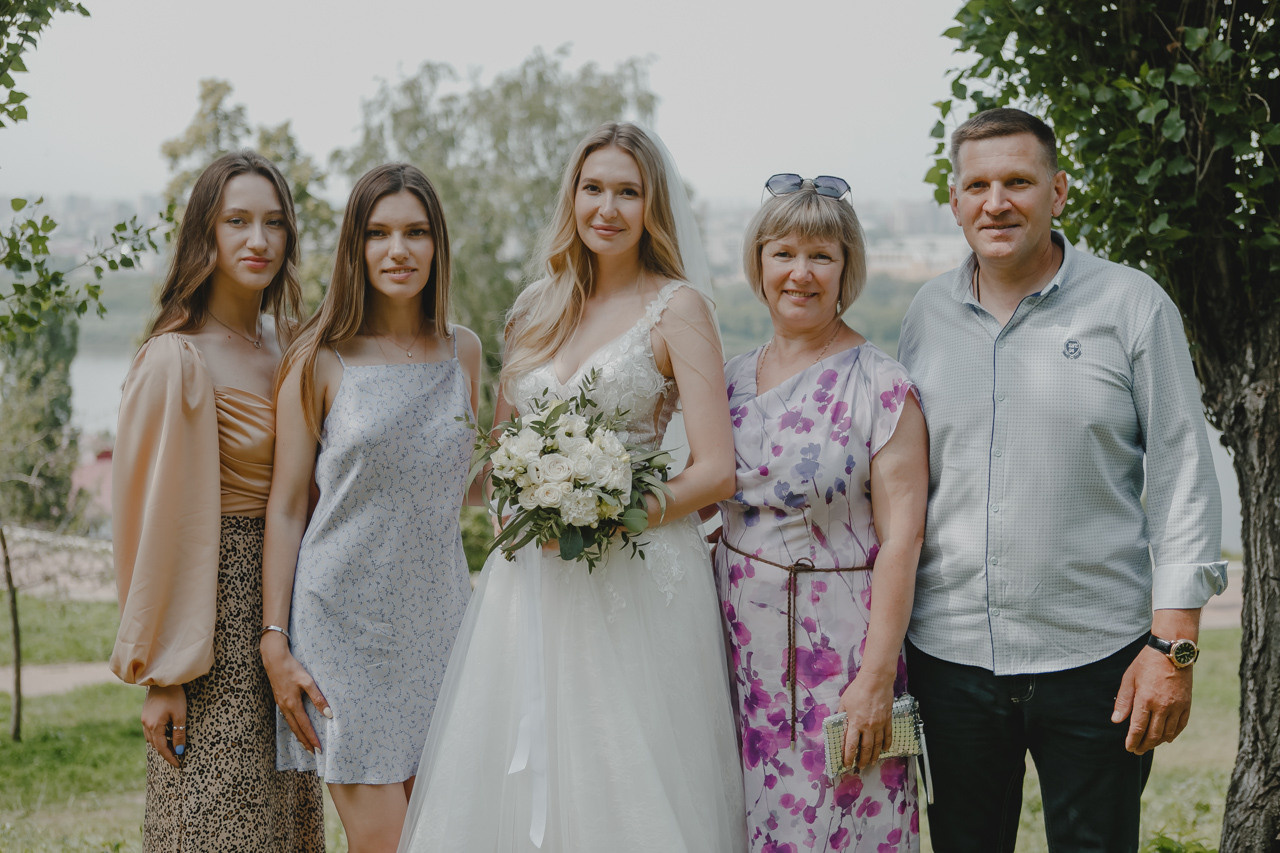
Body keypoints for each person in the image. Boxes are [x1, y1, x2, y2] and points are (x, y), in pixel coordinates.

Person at [397, 121, 746, 852]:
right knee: (515, 778)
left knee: (624, 775)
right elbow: (500, 453)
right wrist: (513, 512)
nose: (608, 208)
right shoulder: (533, 308)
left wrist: (609, 512)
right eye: (594, 189)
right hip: (529, 582)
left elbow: (716, 470)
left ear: (653, 205)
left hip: (636, 579)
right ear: (572, 196)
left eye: (628, 191)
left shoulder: (679, 309)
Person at [897, 107, 1228, 851]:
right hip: (950, 662)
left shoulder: (1131, 305)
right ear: (954, 203)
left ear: (1059, 192)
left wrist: (1173, 646)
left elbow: (1183, 474)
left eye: (1018, 180)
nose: (997, 201)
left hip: (1097, 661)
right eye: (977, 184)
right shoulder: (925, 315)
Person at [260, 163, 482, 852]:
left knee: (441, 834)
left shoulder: (463, 351)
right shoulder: (319, 358)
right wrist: (274, 637)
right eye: (379, 233)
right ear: (355, 247)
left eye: (416, 232)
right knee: (383, 841)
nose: (399, 250)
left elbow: (457, 480)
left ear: (437, 245)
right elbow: (289, 505)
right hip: (342, 629)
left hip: (443, 621)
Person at [109, 150, 324, 851]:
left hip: (289, 615)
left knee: (283, 823)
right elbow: (146, 526)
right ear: (207, 232)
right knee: (214, 827)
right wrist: (162, 674)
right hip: (210, 623)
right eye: (237, 221)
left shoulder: (295, 345)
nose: (258, 240)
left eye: (274, 223)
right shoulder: (175, 359)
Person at [712, 174, 928, 852]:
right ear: (758, 263)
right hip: (737, 652)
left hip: (842, 656)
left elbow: (903, 538)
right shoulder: (728, 377)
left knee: (848, 824)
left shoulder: (883, 386)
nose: (799, 273)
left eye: (821, 256)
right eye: (783, 253)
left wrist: (875, 678)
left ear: (846, 269)